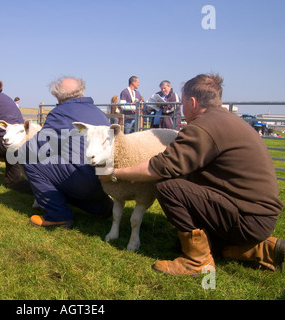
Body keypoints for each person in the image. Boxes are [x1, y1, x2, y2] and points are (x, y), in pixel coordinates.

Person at [101, 74, 284, 275]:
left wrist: (114, 173)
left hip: (247, 218)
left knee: (168, 187)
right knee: (180, 240)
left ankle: (197, 261)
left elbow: (161, 167)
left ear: (192, 102)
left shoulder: (203, 127)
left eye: (182, 103)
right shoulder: (227, 119)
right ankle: (262, 248)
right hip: (258, 215)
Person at [21, 76, 113, 228]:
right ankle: (100, 208)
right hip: (105, 180)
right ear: (82, 92)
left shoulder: (59, 113)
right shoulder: (99, 113)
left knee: (29, 158)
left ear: (58, 97)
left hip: (84, 182)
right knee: (73, 163)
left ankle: (58, 215)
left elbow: (39, 146)